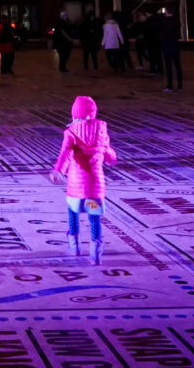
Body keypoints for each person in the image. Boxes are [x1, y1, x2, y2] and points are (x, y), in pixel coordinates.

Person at [49, 95, 118, 265]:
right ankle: (95, 250)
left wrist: (58, 170)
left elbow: (65, 153)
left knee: (73, 212)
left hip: (76, 187)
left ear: (74, 114)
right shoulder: (102, 131)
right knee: (94, 217)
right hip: (95, 188)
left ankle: (74, 244)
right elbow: (109, 152)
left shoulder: (71, 132)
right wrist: (110, 158)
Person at [160, 7, 183, 92]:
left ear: (166, 12)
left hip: (167, 45)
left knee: (168, 66)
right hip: (175, 44)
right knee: (177, 66)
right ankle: (180, 85)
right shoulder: (177, 21)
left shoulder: (164, 21)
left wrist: (160, 14)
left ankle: (170, 86)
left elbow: (161, 30)